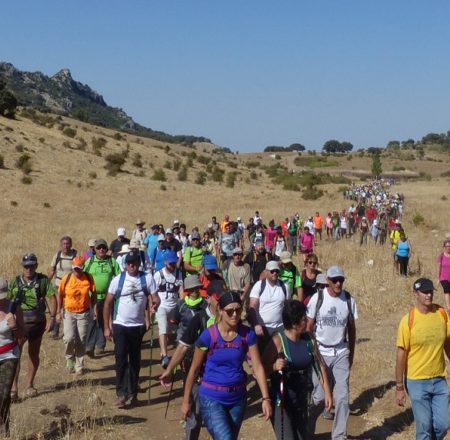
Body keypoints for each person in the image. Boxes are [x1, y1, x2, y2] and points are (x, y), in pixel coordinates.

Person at [181, 291, 272, 440]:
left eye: (238, 310)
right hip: (211, 398)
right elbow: (194, 370)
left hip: (237, 399)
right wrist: (186, 401)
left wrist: (265, 398)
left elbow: (257, 366)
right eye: (230, 311)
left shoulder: (247, 335)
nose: (235, 315)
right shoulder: (208, 336)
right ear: (221, 311)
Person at [160, 280, 226, 440]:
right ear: (209, 297)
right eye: (219, 298)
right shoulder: (200, 319)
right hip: (198, 375)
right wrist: (170, 369)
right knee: (194, 419)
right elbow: (183, 346)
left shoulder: (230, 319)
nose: (222, 303)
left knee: (221, 425)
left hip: (220, 378)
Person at [262, 300, 332, 440]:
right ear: (294, 324)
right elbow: (260, 370)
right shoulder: (278, 341)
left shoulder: (309, 340)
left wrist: (327, 393)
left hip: (301, 398)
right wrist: (274, 366)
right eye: (304, 319)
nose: (307, 321)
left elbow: (320, 365)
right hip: (281, 401)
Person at [306, 266, 357, 440]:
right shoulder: (317, 298)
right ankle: (306, 429)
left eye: (341, 280)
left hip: (341, 351)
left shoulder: (348, 300)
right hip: (320, 351)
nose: (338, 283)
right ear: (327, 280)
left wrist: (351, 354)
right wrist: (312, 352)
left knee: (342, 396)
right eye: (334, 280)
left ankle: (339, 436)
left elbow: (352, 328)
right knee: (320, 398)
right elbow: (308, 327)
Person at [395, 278, 450, 440]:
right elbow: (401, 355)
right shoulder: (408, 321)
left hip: (439, 380)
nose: (428, 294)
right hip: (417, 382)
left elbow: (447, 343)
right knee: (424, 426)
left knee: (443, 424)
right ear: (415, 294)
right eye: (424, 292)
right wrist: (399, 387)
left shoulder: (441, 314)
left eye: (430, 291)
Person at [103, 252, 159, 408]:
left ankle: (133, 393)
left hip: (137, 326)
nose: (131, 265)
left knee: (135, 361)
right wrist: (107, 327)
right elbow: (107, 303)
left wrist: (155, 304)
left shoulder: (147, 278)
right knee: (120, 359)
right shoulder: (117, 280)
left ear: (139, 263)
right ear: (125, 264)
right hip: (120, 325)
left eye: (134, 262)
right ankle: (121, 394)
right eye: (129, 263)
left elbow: (155, 297)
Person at [8, 254, 56, 399]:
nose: (28, 269)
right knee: (15, 356)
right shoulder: (15, 282)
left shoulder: (43, 281)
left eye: (31, 265)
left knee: (33, 354)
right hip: (19, 326)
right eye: (26, 266)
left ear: (36, 265)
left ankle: (29, 385)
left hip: (37, 323)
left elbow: (52, 297)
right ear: (22, 266)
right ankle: (13, 389)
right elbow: (7, 301)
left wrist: (53, 318)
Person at [56, 256, 96, 375]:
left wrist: (95, 309)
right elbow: (60, 295)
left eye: (79, 268)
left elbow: (93, 293)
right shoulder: (66, 279)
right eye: (75, 268)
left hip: (83, 313)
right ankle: (69, 359)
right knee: (69, 338)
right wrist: (58, 311)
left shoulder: (88, 278)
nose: (77, 271)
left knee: (81, 339)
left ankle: (79, 366)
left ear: (83, 268)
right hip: (69, 312)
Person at [84, 239, 121, 357]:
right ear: (94, 249)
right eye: (99, 248)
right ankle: (89, 346)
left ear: (106, 249)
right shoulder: (89, 262)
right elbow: (83, 277)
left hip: (107, 297)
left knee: (103, 320)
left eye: (103, 248)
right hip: (92, 297)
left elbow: (119, 276)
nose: (101, 250)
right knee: (92, 320)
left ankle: (100, 345)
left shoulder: (111, 261)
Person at [248, 261, 289, 351]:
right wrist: (256, 324)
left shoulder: (284, 286)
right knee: (262, 354)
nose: (275, 273)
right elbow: (252, 306)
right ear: (266, 272)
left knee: (279, 354)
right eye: (272, 271)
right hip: (262, 328)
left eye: (277, 271)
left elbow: (287, 306)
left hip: (280, 327)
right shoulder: (259, 286)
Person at [0, 277, 23, 436]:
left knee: (4, 393)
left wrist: (15, 327)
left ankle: (3, 425)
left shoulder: (14, 308)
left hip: (9, 355)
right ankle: (4, 425)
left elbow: (22, 334)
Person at [153, 251, 183, 368]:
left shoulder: (178, 273)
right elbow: (153, 291)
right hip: (162, 306)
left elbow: (181, 288)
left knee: (171, 333)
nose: (172, 266)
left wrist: (182, 303)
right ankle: (165, 356)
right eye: (170, 264)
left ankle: (163, 349)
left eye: (174, 263)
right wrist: (153, 303)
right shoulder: (158, 274)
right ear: (165, 263)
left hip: (174, 306)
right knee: (163, 329)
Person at [48, 235, 77, 339]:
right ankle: (55, 330)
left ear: (71, 244)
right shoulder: (57, 255)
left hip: (70, 286)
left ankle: (68, 330)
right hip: (58, 284)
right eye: (64, 244)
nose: (66, 246)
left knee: (67, 308)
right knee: (57, 308)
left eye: (67, 243)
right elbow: (52, 270)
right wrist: (47, 282)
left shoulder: (75, 255)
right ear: (61, 245)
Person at [438, 239, 450, 311]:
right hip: (444, 278)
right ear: (444, 247)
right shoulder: (441, 256)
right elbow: (439, 267)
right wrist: (438, 278)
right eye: (447, 246)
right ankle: (449, 308)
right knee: (447, 291)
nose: (448, 248)